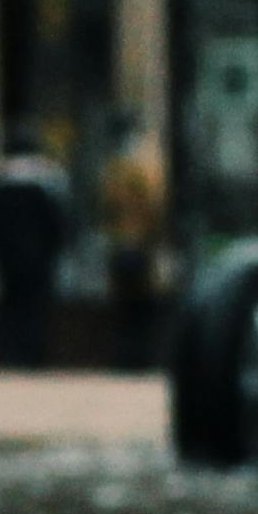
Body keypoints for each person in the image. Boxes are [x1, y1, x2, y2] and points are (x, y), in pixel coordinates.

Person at [0, 132, 79, 366]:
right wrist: (53, 251)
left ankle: (9, 353)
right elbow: (58, 224)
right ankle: (33, 353)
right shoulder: (48, 182)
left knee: (10, 305)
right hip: (38, 258)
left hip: (7, 258)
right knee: (35, 306)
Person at [98, 120, 172, 362]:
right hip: (139, 246)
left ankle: (127, 355)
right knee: (140, 310)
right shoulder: (148, 171)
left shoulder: (114, 172)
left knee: (126, 310)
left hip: (122, 245)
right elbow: (156, 210)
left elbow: (105, 208)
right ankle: (139, 356)